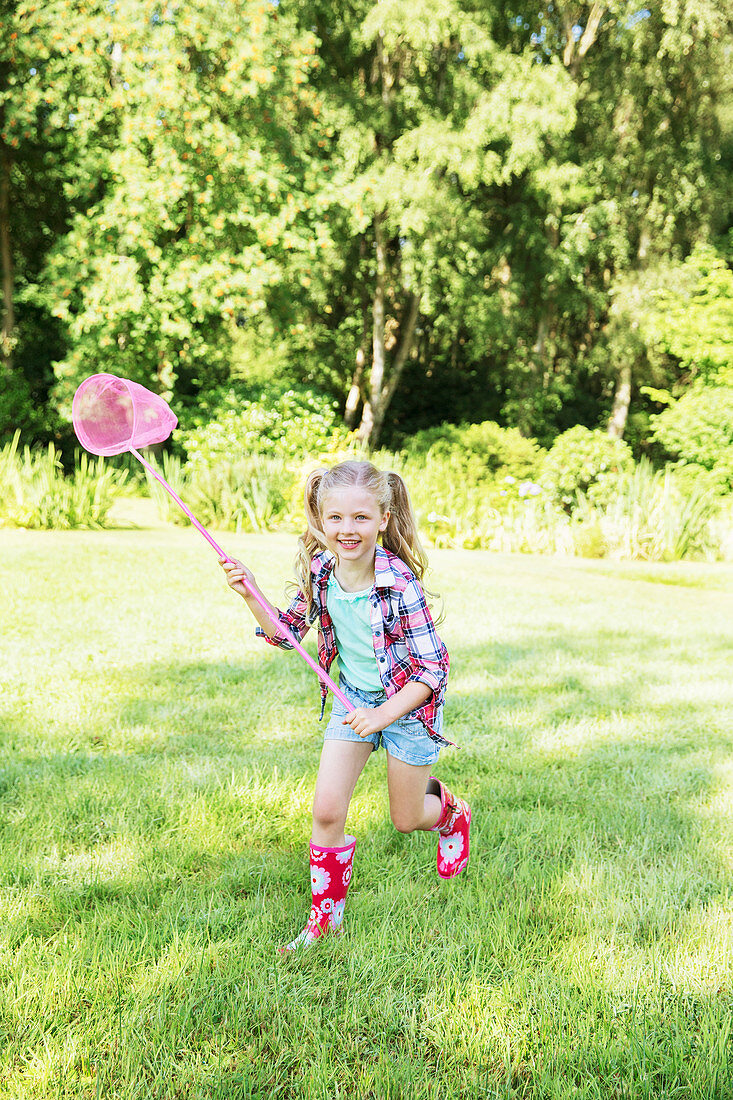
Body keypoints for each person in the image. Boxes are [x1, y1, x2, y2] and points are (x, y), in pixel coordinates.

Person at [220, 459, 471, 952]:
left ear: (382, 518)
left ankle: (448, 812)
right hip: (351, 701)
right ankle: (325, 921)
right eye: (334, 518)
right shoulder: (321, 570)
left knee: (405, 818)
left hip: (408, 712)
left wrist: (383, 715)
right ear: (319, 519)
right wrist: (252, 594)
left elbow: (432, 668)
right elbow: (286, 634)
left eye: (360, 518)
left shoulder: (399, 583)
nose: (347, 530)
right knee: (327, 809)